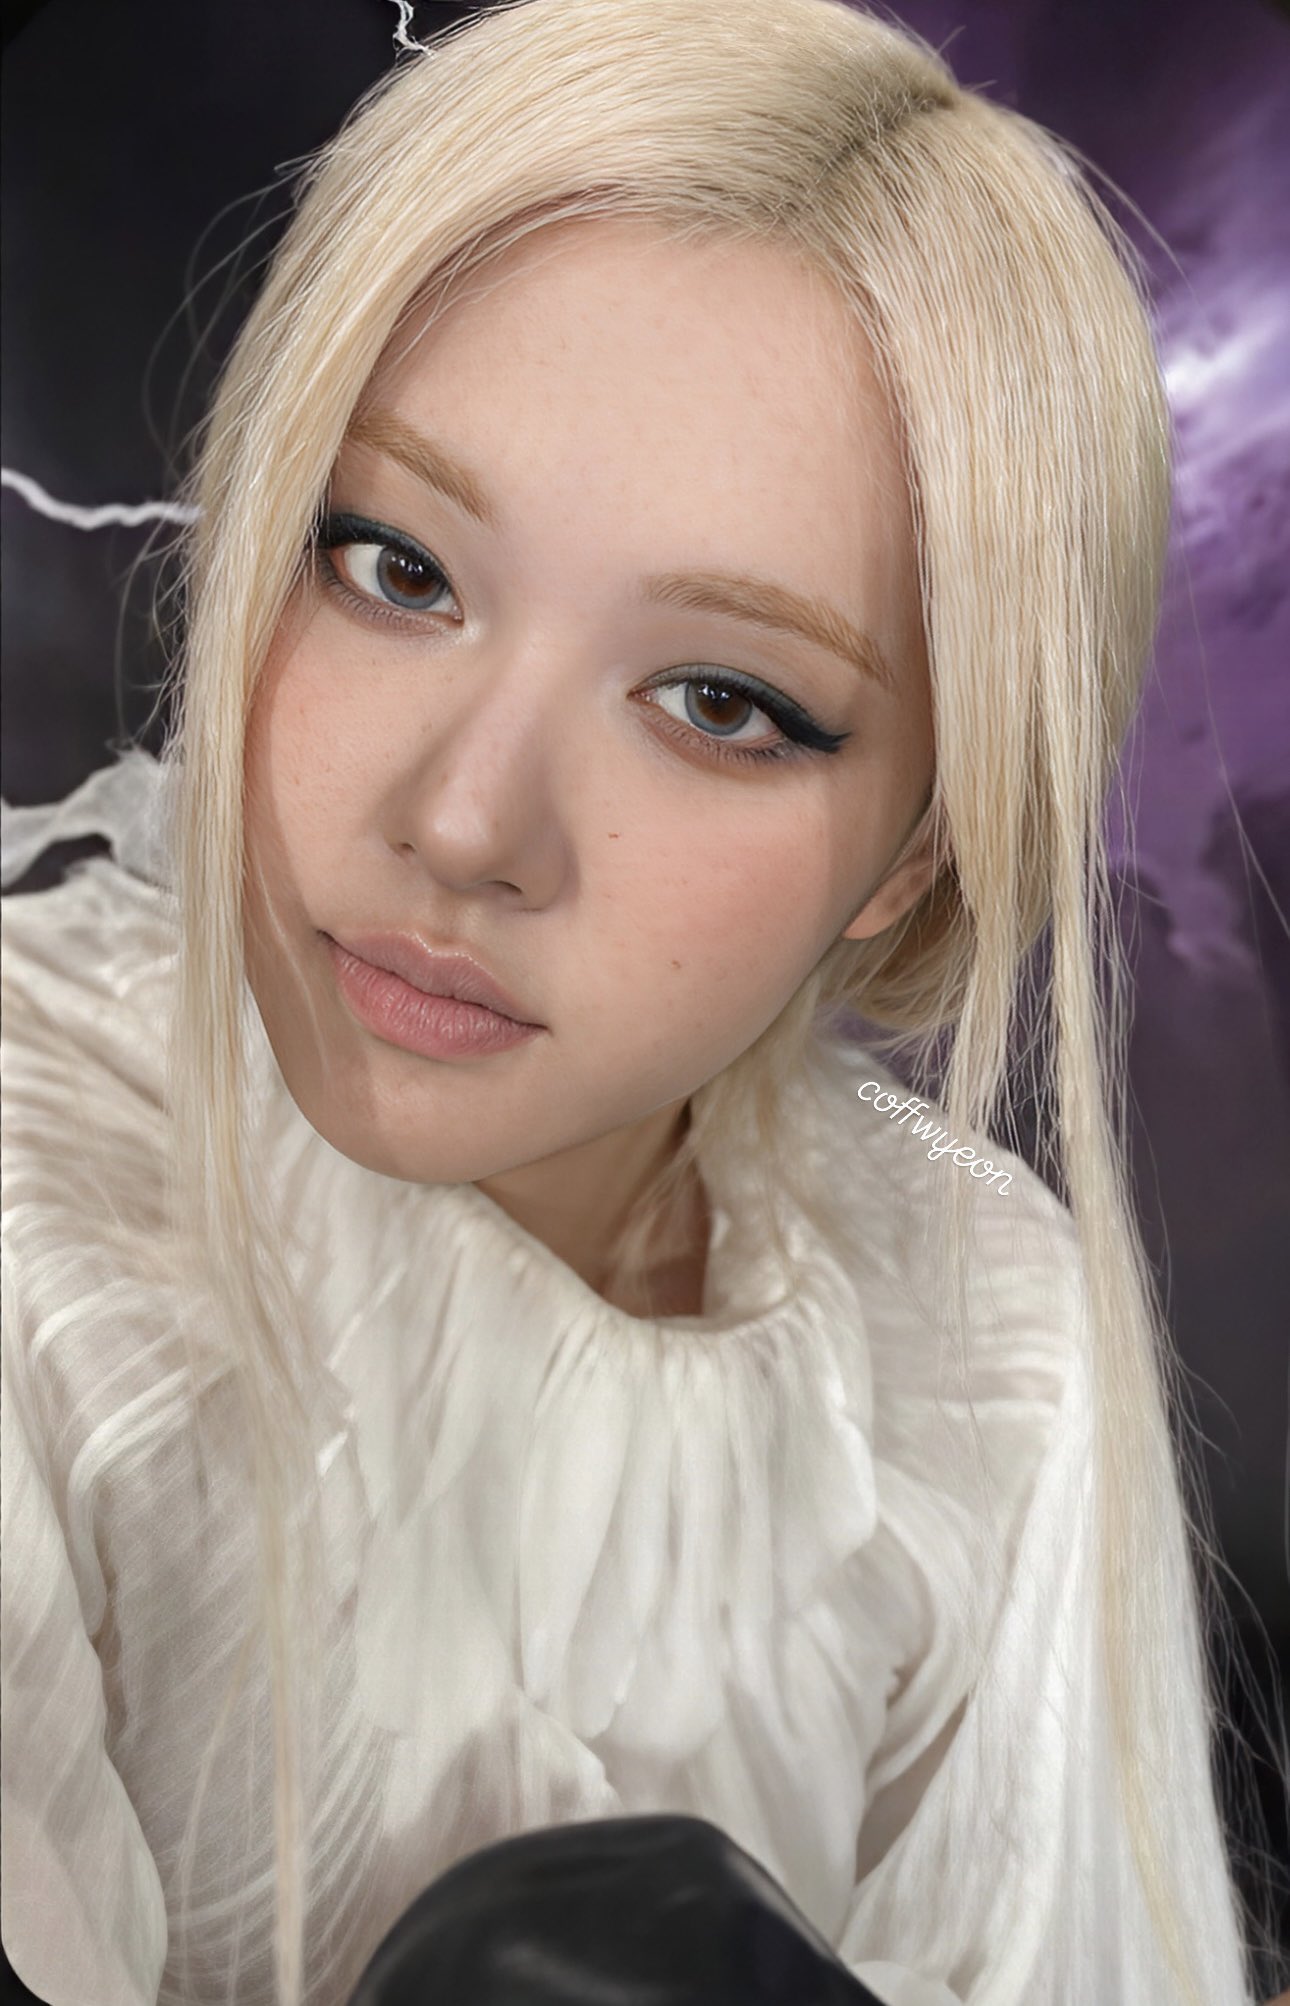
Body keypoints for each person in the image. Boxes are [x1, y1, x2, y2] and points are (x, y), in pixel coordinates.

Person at [1, 1, 1280, 2002]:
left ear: (917, 852)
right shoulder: (29, 1224)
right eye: (392, 566)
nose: (462, 822)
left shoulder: (984, 1328)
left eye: (719, 700)